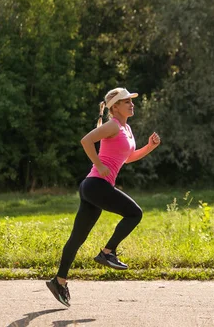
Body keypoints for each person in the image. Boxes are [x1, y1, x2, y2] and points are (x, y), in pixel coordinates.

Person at [46, 87, 161, 307]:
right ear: (115, 106)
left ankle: (58, 281)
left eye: (131, 101)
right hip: (96, 184)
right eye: (126, 101)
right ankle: (108, 253)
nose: (131, 104)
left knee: (77, 238)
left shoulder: (126, 128)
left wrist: (150, 146)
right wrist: (98, 165)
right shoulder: (112, 125)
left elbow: (127, 158)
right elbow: (86, 141)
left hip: (93, 187)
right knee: (134, 213)